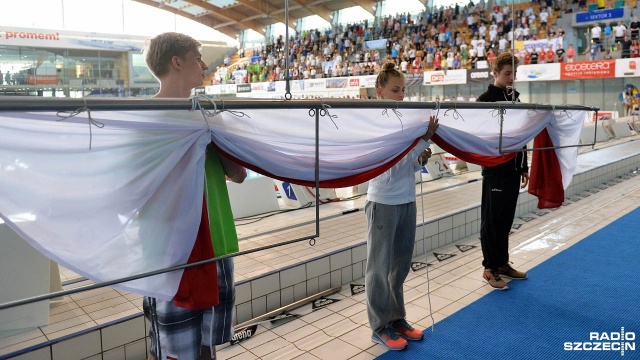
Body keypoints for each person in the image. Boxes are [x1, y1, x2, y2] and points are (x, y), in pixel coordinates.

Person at [141, 32, 247, 360]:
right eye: (198, 57)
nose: (204, 65)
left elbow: (239, 174)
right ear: (177, 62)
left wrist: (219, 133)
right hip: (171, 251)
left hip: (215, 240)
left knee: (205, 345)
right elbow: (136, 192)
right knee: (174, 348)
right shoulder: (142, 119)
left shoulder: (208, 113)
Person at [366, 61, 439, 351]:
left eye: (403, 91)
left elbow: (406, 164)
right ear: (379, 91)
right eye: (395, 90)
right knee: (379, 270)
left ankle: (397, 319)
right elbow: (387, 167)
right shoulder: (376, 124)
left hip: (406, 200)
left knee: (400, 267)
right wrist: (422, 144)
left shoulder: (403, 121)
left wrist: (421, 154)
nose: (400, 96)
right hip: (383, 202)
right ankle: (379, 326)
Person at [476, 52, 529, 290]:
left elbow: (522, 135)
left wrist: (524, 165)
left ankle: (502, 264)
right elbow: (479, 136)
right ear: (495, 73)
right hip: (495, 169)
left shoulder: (515, 99)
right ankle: (489, 268)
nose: (511, 77)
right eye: (507, 73)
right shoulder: (485, 100)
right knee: (492, 221)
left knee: (506, 219)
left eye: (514, 73)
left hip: (513, 169)